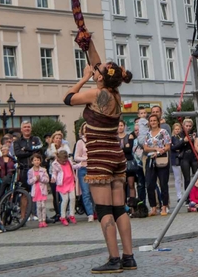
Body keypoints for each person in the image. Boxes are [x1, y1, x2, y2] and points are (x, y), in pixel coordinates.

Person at [64, 40, 136, 273]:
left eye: (98, 70)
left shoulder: (96, 94)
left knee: (104, 210)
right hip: (116, 156)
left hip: (100, 158)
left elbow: (68, 98)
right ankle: (128, 257)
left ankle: (113, 260)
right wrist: (89, 42)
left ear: (99, 78)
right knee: (120, 209)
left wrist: (84, 77)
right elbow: (98, 62)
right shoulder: (114, 93)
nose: (96, 68)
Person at [142, 114, 171, 216]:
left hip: (161, 159)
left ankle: (164, 206)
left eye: (155, 120)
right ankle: (153, 207)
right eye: (151, 121)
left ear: (158, 121)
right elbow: (145, 148)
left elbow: (168, 146)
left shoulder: (163, 132)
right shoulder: (148, 134)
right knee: (150, 184)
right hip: (150, 159)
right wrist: (155, 149)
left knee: (163, 184)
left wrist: (160, 151)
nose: (153, 122)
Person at [171, 118, 198, 197]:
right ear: (183, 126)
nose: (188, 127)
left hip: (194, 157)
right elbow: (174, 147)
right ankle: (188, 197)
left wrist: (193, 139)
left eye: (190, 126)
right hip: (184, 157)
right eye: (187, 126)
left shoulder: (194, 134)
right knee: (187, 179)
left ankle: (197, 195)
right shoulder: (179, 134)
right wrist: (183, 141)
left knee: (196, 177)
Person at [73, 124, 95, 222]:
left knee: (95, 192)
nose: (87, 130)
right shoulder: (80, 142)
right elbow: (75, 157)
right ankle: (90, 213)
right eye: (85, 129)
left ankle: (97, 212)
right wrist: (86, 158)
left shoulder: (94, 140)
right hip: (84, 169)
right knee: (86, 193)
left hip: (94, 169)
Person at [13, 121, 43, 190]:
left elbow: (40, 149)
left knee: (37, 191)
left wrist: (26, 149)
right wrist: (31, 152)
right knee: (24, 192)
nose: (27, 129)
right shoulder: (17, 142)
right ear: (21, 129)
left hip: (36, 169)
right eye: (25, 127)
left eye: (28, 127)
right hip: (23, 170)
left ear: (31, 129)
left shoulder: (36, 139)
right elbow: (18, 154)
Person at [50, 150, 77, 225]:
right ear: (58, 158)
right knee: (65, 200)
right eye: (63, 161)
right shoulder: (55, 164)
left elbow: (73, 166)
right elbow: (54, 173)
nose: (64, 162)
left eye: (65, 161)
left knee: (73, 198)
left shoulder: (69, 161)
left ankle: (72, 215)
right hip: (62, 184)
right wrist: (53, 178)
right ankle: (63, 216)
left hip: (70, 182)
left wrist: (80, 164)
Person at [168, 123, 184, 203]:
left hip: (183, 158)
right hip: (175, 159)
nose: (177, 130)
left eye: (178, 129)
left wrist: (178, 146)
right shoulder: (171, 138)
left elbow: (181, 147)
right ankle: (179, 196)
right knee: (177, 178)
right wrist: (179, 145)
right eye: (176, 129)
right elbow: (172, 148)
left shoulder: (183, 137)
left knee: (184, 178)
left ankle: (185, 194)